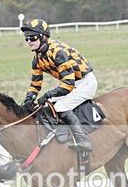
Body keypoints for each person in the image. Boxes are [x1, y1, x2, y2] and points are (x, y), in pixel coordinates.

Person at [20, 18, 96, 152]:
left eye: (32, 38)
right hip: (73, 84)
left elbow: (68, 84)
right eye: (26, 39)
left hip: (85, 83)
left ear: (43, 37)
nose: (29, 42)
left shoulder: (58, 52)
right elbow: (35, 83)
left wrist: (47, 95)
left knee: (61, 106)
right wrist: (29, 99)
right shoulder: (37, 58)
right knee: (44, 105)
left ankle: (83, 141)